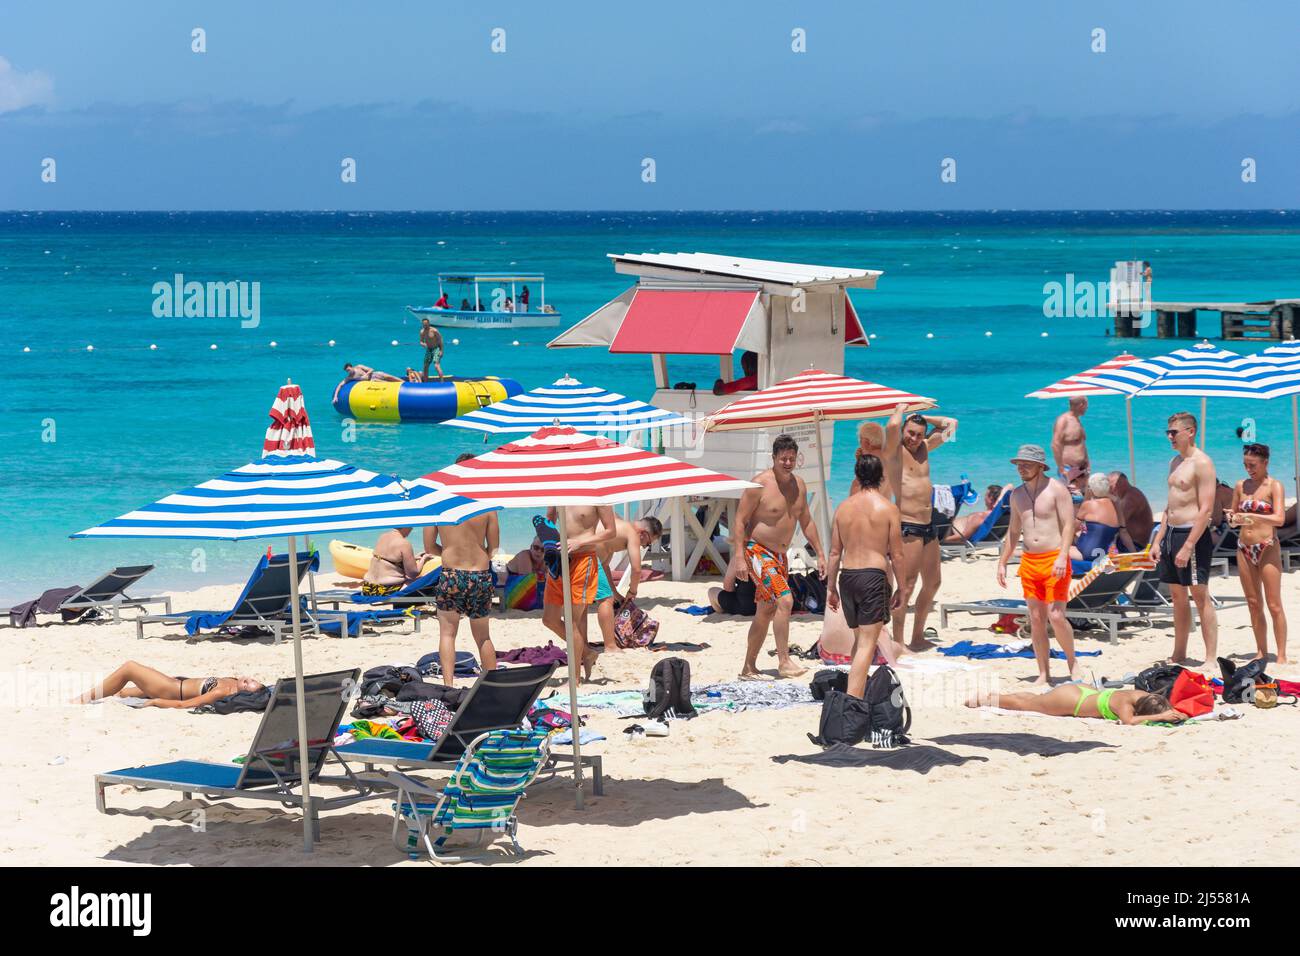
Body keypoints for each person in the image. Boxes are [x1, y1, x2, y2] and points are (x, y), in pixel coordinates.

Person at [729, 434, 827, 680]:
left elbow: (806, 521)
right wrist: (739, 557)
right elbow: (739, 521)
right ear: (773, 458)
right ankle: (784, 661)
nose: (787, 463)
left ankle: (748, 668)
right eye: (783, 458)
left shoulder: (799, 485)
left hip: (780, 555)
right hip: (757, 550)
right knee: (785, 600)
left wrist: (821, 554)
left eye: (791, 459)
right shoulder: (759, 485)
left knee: (766, 610)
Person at [827, 454, 906, 698]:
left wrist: (830, 587)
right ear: (881, 477)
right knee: (866, 645)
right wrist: (903, 588)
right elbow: (898, 554)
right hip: (872, 577)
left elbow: (834, 552)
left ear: (857, 476)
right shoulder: (888, 508)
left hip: (847, 576)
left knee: (859, 640)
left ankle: (855, 692)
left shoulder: (843, 508)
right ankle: (853, 701)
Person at [998, 444, 1078, 684]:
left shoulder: (1057, 489)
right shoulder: (1017, 495)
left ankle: (1073, 663)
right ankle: (1044, 673)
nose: (1021, 468)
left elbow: (1068, 525)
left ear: (1041, 466)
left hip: (1054, 558)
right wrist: (1002, 562)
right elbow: (1013, 531)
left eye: (1027, 464)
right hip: (1029, 561)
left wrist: (1063, 556)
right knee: (1035, 618)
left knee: (1055, 616)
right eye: (1019, 464)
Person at [884, 406, 958, 652]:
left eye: (918, 434)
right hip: (908, 525)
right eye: (911, 433)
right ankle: (898, 641)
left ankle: (917, 636)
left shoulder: (925, 448)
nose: (914, 438)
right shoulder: (894, 451)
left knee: (933, 583)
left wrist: (923, 416)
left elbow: (952, 425)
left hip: (929, 525)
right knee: (906, 585)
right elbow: (892, 427)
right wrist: (903, 408)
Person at [1150, 412, 1219, 665]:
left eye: (1174, 432)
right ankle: (1179, 653)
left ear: (1190, 432)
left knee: (1200, 595)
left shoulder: (1202, 463)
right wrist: (1157, 540)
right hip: (1170, 533)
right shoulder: (1174, 461)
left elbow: (1206, 509)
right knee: (1177, 596)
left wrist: (1189, 544)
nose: (1170, 437)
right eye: (1168, 432)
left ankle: (1210, 658)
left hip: (1192, 535)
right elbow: (1170, 506)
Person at [424, 455, 500, 686]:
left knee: (447, 634)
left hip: (451, 574)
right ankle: (491, 685)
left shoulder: (439, 504)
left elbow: (429, 547)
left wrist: (449, 550)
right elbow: (494, 548)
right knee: (483, 636)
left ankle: (448, 685)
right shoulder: (486, 506)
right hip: (479, 574)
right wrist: (476, 555)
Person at [540, 505, 618, 681]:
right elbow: (549, 522)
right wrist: (545, 540)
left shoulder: (596, 498)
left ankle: (574, 679)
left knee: (573, 621)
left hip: (583, 559)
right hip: (559, 560)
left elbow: (611, 531)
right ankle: (587, 652)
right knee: (549, 619)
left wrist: (580, 542)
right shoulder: (558, 492)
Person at [1227, 443, 1288, 663]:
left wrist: (1253, 516)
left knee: (1274, 604)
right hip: (1244, 547)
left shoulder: (1275, 486)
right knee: (1253, 602)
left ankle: (1281, 654)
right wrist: (1233, 519)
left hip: (1267, 545)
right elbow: (1233, 517)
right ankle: (1261, 651)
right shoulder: (1240, 486)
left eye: (1252, 465)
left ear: (1265, 463)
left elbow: (1279, 519)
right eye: (1245, 464)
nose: (1248, 469)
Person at [593, 516, 664, 652]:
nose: (643, 546)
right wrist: (632, 592)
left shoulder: (616, 524)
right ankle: (610, 646)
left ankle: (583, 644)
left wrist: (616, 593)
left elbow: (605, 566)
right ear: (643, 533)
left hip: (582, 557)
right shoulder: (632, 534)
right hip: (587, 559)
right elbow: (637, 569)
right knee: (606, 601)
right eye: (647, 543)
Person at [965, 684, 1184, 725]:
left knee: (1032, 700)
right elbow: (1129, 721)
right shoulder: (1125, 703)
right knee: (1025, 705)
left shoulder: (1141, 694)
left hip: (1083, 692)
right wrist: (1158, 717)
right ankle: (982, 699)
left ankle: (1002, 694)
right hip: (1073, 701)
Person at [76, 662, 264, 708]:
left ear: (243, 693)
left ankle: (83, 698)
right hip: (174, 683)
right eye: (252, 680)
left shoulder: (224, 690)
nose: (247, 681)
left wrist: (156, 702)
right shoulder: (232, 682)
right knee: (121, 692)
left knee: (129, 668)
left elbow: (186, 704)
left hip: (170, 691)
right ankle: (106, 695)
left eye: (248, 686)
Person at [1071, 472, 1122, 563]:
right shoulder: (1116, 504)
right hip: (1108, 553)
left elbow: (1073, 528)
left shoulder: (1088, 505)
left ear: (1090, 489)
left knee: (1058, 548)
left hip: (1088, 554)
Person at [363, 527, 428, 596]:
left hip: (367, 588)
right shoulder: (404, 543)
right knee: (425, 578)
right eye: (411, 527)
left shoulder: (383, 536)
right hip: (386, 591)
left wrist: (413, 558)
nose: (411, 530)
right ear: (406, 526)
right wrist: (424, 559)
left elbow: (387, 559)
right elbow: (413, 574)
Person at [1051, 396, 1089, 494]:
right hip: (1069, 469)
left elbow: (1081, 444)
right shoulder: (1063, 420)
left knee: (1083, 500)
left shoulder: (1077, 420)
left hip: (1082, 470)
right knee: (1073, 500)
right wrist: (1061, 467)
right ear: (1082, 405)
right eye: (1086, 405)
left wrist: (1087, 463)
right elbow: (1055, 444)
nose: (1087, 408)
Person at [1108, 471, 1153, 550]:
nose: (1111, 490)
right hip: (1130, 541)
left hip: (1136, 544)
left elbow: (1116, 524)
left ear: (1116, 486)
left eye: (1110, 487)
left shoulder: (1131, 498)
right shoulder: (1129, 493)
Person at [419, 318, 444, 382]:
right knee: (425, 366)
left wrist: (441, 351)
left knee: (436, 365)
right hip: (429, 350)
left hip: (436, 349)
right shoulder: (422, 332)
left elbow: (440, 340)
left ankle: (442, 382)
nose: (425, 326)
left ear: (429, 323)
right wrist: (423, 344)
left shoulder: (434, 331)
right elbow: (421, 341)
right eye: (424, 324)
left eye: (426, 324)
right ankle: (425, 382)